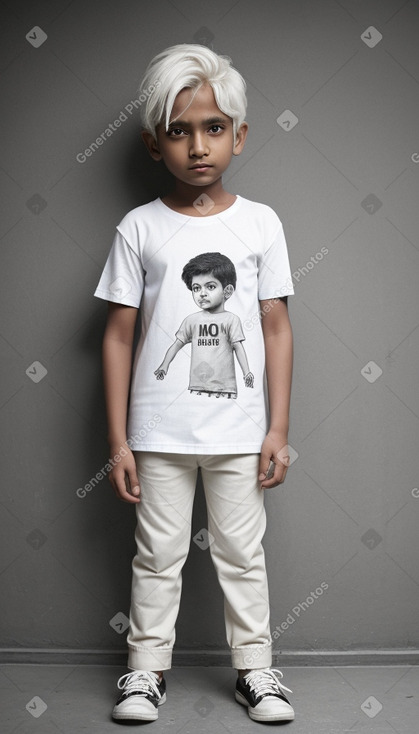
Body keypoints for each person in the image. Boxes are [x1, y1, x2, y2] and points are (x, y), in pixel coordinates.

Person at [94, 43, 295, 724]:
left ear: (238, 134)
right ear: (155, 144)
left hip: (239, 431)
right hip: (159, 433)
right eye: (179, 131)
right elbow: (120, 335)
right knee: (158, 554)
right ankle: (144, 673)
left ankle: (256, 671)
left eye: (213, 128)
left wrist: (276, 428)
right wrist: (120, 441)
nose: (197, 146)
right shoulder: (139, 228)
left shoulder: (261, 224)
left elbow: (273, 330)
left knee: (243, 553)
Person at [154, 251, 254, 397]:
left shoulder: (231, 320)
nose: (202, 293)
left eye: (210, 286)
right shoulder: (191, 320)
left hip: (224, 388)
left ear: (228, 291)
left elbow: (238, 348)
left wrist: (247, 373)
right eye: (196, 288)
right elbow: (176, 344)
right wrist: (164, 365)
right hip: (197, 386)